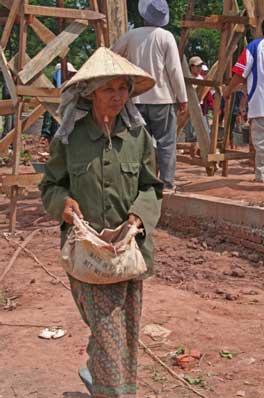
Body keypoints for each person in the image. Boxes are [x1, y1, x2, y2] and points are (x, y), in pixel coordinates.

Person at [40, 47, 163, 398]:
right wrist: (62, 204)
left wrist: (139, 216)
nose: (117, 96)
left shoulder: (138, 137)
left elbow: (152, 187)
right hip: (87, 254)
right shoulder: (70, 138)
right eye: (109, 89)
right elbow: (51, 184)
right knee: (107, 331)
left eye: (123, 88)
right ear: (91, 92)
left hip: (128, 253)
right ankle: (114, 392)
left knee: (124, 329)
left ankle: (97, 377)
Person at [112, 0, 188, 191]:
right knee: (166, 144)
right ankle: (167, 184)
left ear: (144, 15)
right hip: (163, 99)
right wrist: (182, 98)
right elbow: (174, 70)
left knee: (138, 144)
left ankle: (139, 183)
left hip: (136, 99)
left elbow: (112, 56)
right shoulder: (166, 37)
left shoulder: (131, 35)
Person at [224, 37, 264, 182]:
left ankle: (261, 178)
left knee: (261, 144)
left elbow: (240, 74)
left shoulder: (254, 47)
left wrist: (228, 90)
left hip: (260, 104)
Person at [39, 62, 77, 145]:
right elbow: (48, 114)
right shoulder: (53, 93)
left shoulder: (72, 91)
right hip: (57, 127)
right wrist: (45, 132)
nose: (71, 76)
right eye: (69, 73)